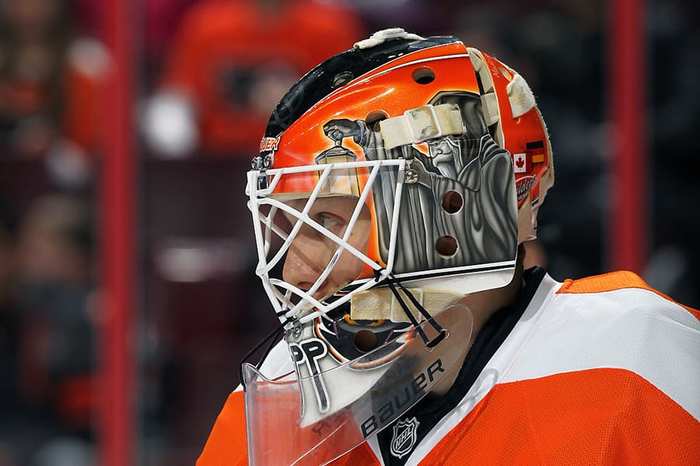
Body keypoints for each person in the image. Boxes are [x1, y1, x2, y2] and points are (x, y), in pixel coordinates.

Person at [197, 29, 700, 466]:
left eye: (328, 220)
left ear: (455, 203)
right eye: (289, 226)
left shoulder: (626, 358)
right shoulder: (284, 385)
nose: (295, 270)